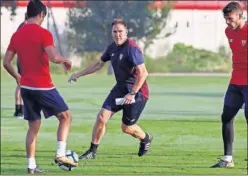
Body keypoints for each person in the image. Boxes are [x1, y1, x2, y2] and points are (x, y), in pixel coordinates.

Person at [3, 0, 78, 174]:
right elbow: (54, 57)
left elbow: (6, 62)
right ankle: (61, 154)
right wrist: (65, 60)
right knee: (66, 116)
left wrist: (17, 76)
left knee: (33, 126)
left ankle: (31, 166)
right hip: (42, 86)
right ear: (42, 15)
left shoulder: (17, 34)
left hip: (26, 88)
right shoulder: (44, 34)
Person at [68, 18, 153, 160]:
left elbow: (143, 73)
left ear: (126, 32)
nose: (117, 35)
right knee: (101, 117)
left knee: (126, 128)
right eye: (114, 32)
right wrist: (78, 74)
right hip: (119, 89)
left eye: (120, 31)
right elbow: (97, 65)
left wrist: (132, 93)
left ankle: (145, 138)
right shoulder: (112, 47)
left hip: (137, 94)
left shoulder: (132, 48)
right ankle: (92, 151)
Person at [211, 1, 247, 168]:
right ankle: (227, 159)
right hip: (235, 82)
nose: (228, 22)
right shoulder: (228, 31)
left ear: (240, 16)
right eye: (226, 19)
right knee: (226, 117)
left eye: (231, 19)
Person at [13, 13, 28, 119]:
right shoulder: (25, 27)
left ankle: (19, 109)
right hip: (24, 59)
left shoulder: (21, 26)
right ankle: (19, 111)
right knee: (22, 84)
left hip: (21, 59)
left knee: (21, 84)